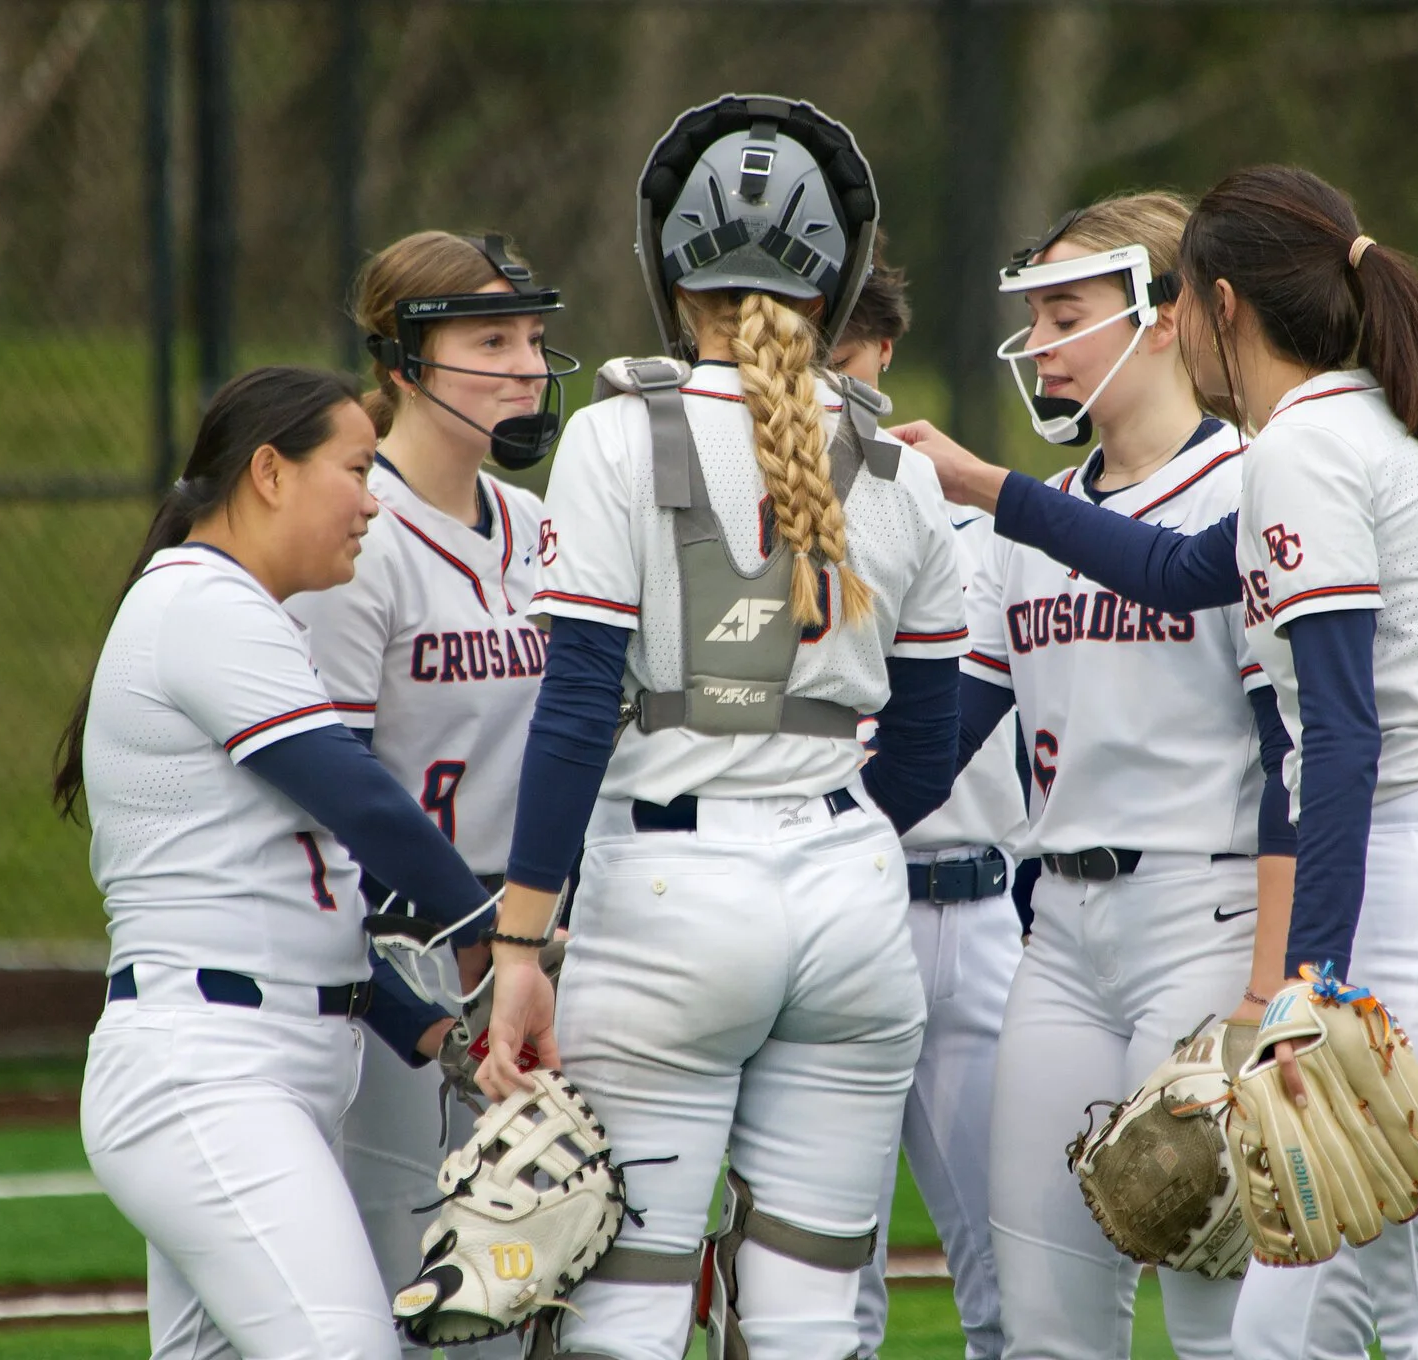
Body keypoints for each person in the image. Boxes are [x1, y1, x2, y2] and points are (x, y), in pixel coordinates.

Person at [898, 165, 1418, 1360]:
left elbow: (1336, 738)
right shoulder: (1365, 422)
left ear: (1215, 309)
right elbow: (1172, 573)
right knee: (1338, 1325)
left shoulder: (1298, 447)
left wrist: (1297, 988)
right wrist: (991, 488)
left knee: (1415, 1328)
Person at [478, 94, 968, 1360]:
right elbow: (925, 745)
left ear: (666, 267)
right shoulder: (902, 466)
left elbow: (579, 702)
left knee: (621, 1316)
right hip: (851, 899)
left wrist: (523, 943)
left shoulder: (608, 435)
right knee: (810, 1326)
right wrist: (824, 828)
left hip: (664, 888)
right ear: (837, 279)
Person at [57, 366, 504, 1360]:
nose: (372, 498)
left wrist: (430, 1028)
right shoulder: (201, 603)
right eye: (353, 467)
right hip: (209, 1069)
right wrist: (494, 934)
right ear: (268, 471)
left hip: (253, 1056)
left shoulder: (243, 610)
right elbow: (358, 797)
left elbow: (308, 890)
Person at [944, 193, 1294, 1360]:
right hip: (1055, 936)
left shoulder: (1247, 483)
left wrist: (1267, 985)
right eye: (1032, 311)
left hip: (1207, 912)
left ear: (1163, 316)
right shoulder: (1018, 528)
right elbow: (946, 735)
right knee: (1043, 1321)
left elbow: (1294, 750)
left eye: (1065, 310)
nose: (1037, 339)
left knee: (1220, 1314)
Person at [286, 229, 575, 1356]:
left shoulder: (546, 528)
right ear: (405, 361)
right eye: (490, 338)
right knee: (410, 1295)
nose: (527, 365)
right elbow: (334, 789)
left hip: (537, 946)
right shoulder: (362, 533)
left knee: (533, 1285)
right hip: (405, 955)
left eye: (536, 339)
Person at [829, 249, 1027, 1360]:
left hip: (977, 907)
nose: (827, 386)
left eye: (847, 360)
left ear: (886, 352)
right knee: (822, 1288)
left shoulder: (969, 511)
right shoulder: (734, 515)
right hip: (835, 903)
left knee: (1013, 1276)